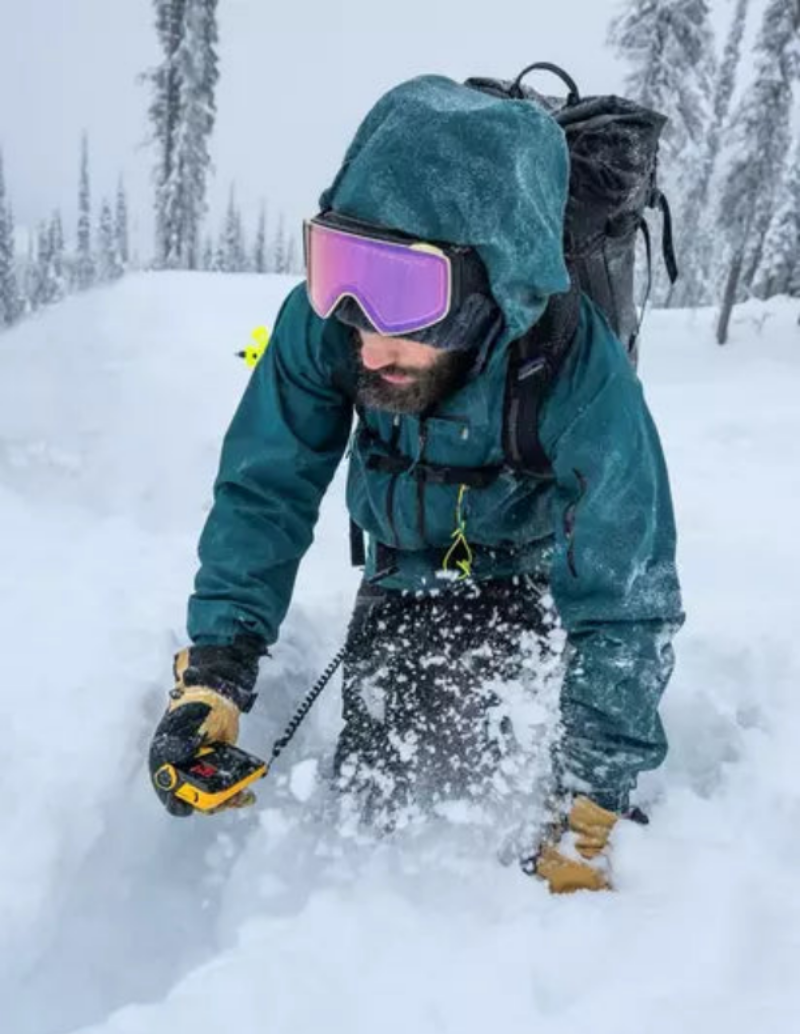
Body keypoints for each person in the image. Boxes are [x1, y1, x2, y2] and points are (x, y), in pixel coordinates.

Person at [149, 75, 684, 894]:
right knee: (372, 813)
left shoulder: (574, 369)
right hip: (401, 572)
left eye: (405, 296)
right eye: (341, 270)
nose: (366, 341)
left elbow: (626, 594)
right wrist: (217, 669)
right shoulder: (329, 325)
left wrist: (592, 801)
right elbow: (267, 488)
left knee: (511, 766)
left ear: (488, 290)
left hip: (530, 577)